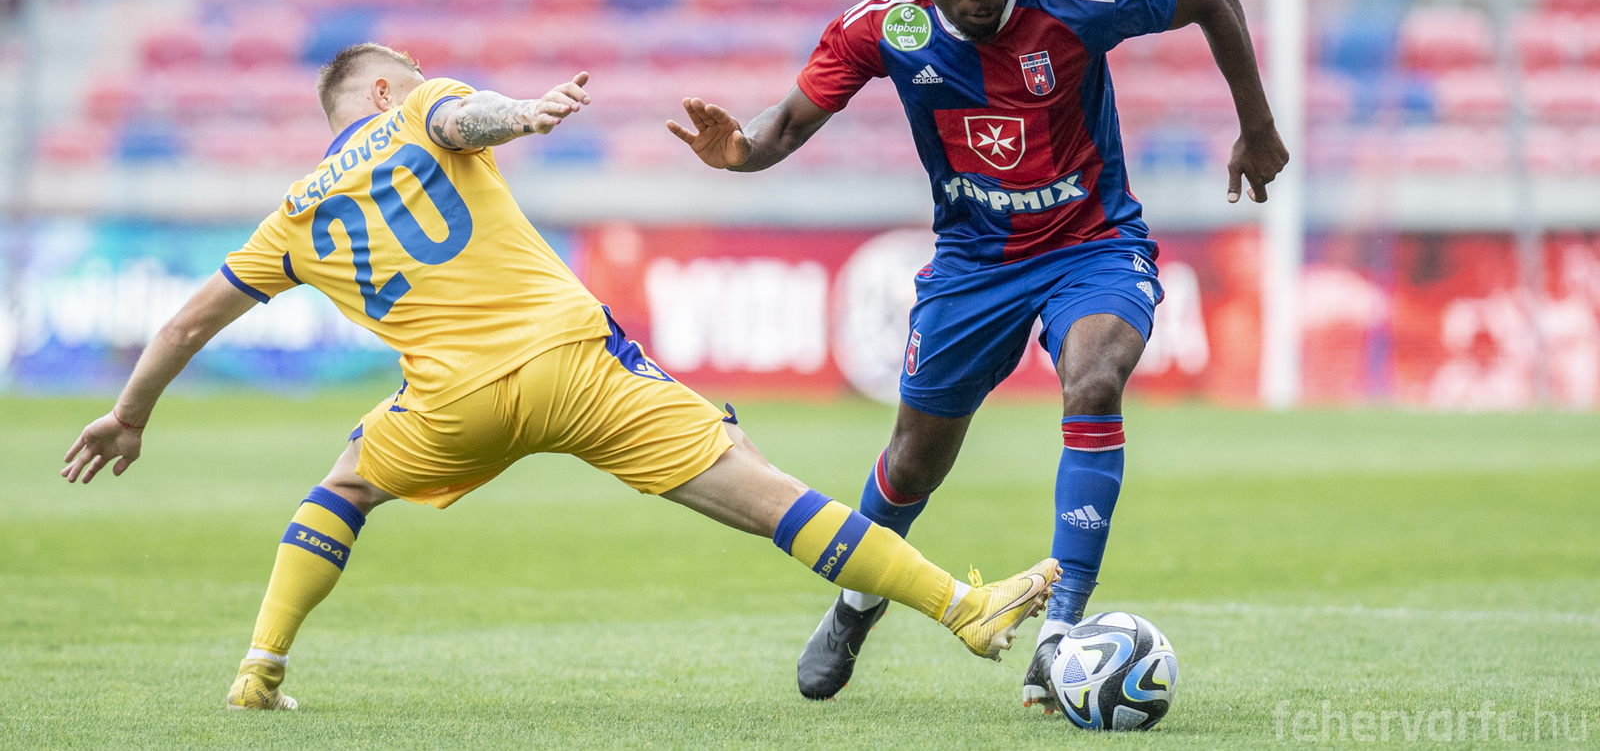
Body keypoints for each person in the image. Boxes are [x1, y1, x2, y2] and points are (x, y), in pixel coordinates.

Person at [60, 43, 1059, 711]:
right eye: (410, 73)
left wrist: (128, 415)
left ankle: (260, 666)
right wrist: (528, 115)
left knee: (346, 484)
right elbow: (468, 118)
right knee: (763, 491)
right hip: (574, 365)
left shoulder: (288, 219)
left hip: (450, 406)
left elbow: (188, 320)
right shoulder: (419, 108)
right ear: (380, 94)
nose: (423, 79)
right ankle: (961, 608)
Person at [667, 0, 1289, 707]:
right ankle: (856, 606)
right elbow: (781, 126)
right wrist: (739, 153)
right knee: (913, 460)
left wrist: (1257, 125)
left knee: (1094, 378)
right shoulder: (885, 24)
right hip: (974, 261)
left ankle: (1061, 632)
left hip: (1092, 243)